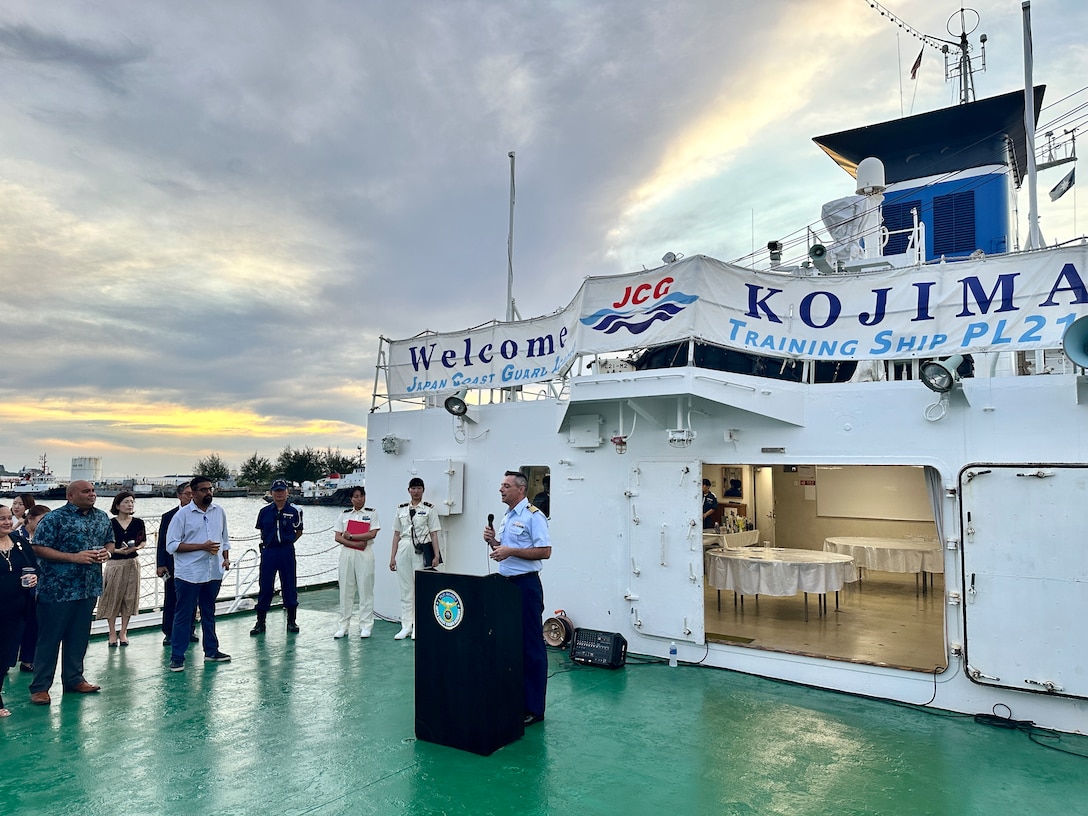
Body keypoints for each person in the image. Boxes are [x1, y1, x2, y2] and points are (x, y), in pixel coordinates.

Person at [29, 480, 114, 705]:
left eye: (93, 491)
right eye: (86, 491)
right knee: (50, 639)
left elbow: (110, 542)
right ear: (70, 496)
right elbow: (38, 547)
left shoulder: (102, 517)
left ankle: (74, 679)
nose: (92, 494)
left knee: (79, 637)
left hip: (88, 587)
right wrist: (74, 557)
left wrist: (107, 554)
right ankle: (40, 687)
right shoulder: (54, 518)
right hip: (57, 589)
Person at [482, 470, 551, 726]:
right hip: (506, 586)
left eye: (506, 486)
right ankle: (516, 699)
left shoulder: (534, 516)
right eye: (501, 485)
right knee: (511, 645)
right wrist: (495, 543)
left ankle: (534, 707)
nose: (501, 489)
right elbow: (507, 551)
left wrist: (510, 550)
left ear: (521, 490)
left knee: (531, 647)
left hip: (526, 587)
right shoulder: (508, 516)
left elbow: (545, 551)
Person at [166, 476, 231, 671]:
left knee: (209, 612)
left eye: (210, 489)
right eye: (203, 490)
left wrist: (225, 558)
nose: (208, 493)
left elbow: (224, 539)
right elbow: (171, 545)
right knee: (184, 615)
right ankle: (177, 656)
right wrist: (201, 547)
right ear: (193, 494)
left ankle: (211, 651)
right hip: (189, 574)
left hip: (213, 571)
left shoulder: (219, 512)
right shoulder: (182, 516)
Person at [388, 477, 442, 640]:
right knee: (406, 589)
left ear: (423, 490)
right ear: (408, 490)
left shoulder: (429, 509)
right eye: (413, 488)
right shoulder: (401, 509)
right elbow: (396, 534)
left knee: (420, 587)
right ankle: (406, 626)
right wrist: (392, 557)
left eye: (419, 488)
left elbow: (434, 533)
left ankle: (419, 626)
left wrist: (436, 555)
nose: (416, 491)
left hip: (422, 548)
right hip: (404, 547)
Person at [251, 478, 304, 636]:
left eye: (282, 491)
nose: (279, 494)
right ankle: (260, 622)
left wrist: (287, 542)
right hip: (269, 551)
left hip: (286, 551)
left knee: (289, 584)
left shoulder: (295, 511)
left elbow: (299, 531)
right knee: (265, 585)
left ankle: (291, 621)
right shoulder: (264, 512)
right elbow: (261, 530)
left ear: (287, 492)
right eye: (276, 491)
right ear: (271, 493)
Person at [0, 505, 39, 716]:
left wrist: (35, 577)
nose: (7, 522)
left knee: (6, 656)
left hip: (18, 609)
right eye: (1, 519)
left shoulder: (20, 543)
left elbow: (36, 567)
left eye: (9, 518)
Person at [98, 492, 146, 647]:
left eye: (132, 502)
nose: (130, 505)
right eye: (126, 502)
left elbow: (143, 541)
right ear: (117, 505)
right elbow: (105, 543)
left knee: (129, 597)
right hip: (115, 563)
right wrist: (117, 551)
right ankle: (112, 632)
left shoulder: (138, 522)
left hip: (132, 562)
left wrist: (136, 547)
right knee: (111, 596)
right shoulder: (110, 523)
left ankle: (123, 631)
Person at [332, 486, 380, 639]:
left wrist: (351, 537)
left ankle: (365, 625)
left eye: (362, 496)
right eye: (356, 496)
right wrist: (356, 543)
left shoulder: (371, 513)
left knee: (366, 589)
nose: (360, 499)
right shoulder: (344, 515)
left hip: (365, 554)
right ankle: (343, 625)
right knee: (346, 589)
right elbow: (338, 537)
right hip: (347, 553)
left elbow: (372, 533)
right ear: (351, 499)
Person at [157, 483, 198, 646]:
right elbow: (161, 542)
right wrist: (160, 564)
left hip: (193, 564)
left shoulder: (200, 514)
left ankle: (190, 629)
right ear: (179, 495)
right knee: (171, 597)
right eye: (187, 494)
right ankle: (169, 631)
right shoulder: (169, 516)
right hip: (172, 564)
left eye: (192, 494)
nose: (190, 497)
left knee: (191, 597)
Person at [11, 505, 48, 674]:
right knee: (13, 624)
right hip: (16, 587)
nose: (44, 525)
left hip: (39, 585)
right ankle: (8, 659)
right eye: (41, 520)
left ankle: (28, 659)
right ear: (30, 519)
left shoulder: (47, 537)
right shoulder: (17, 537)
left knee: (34, 623)